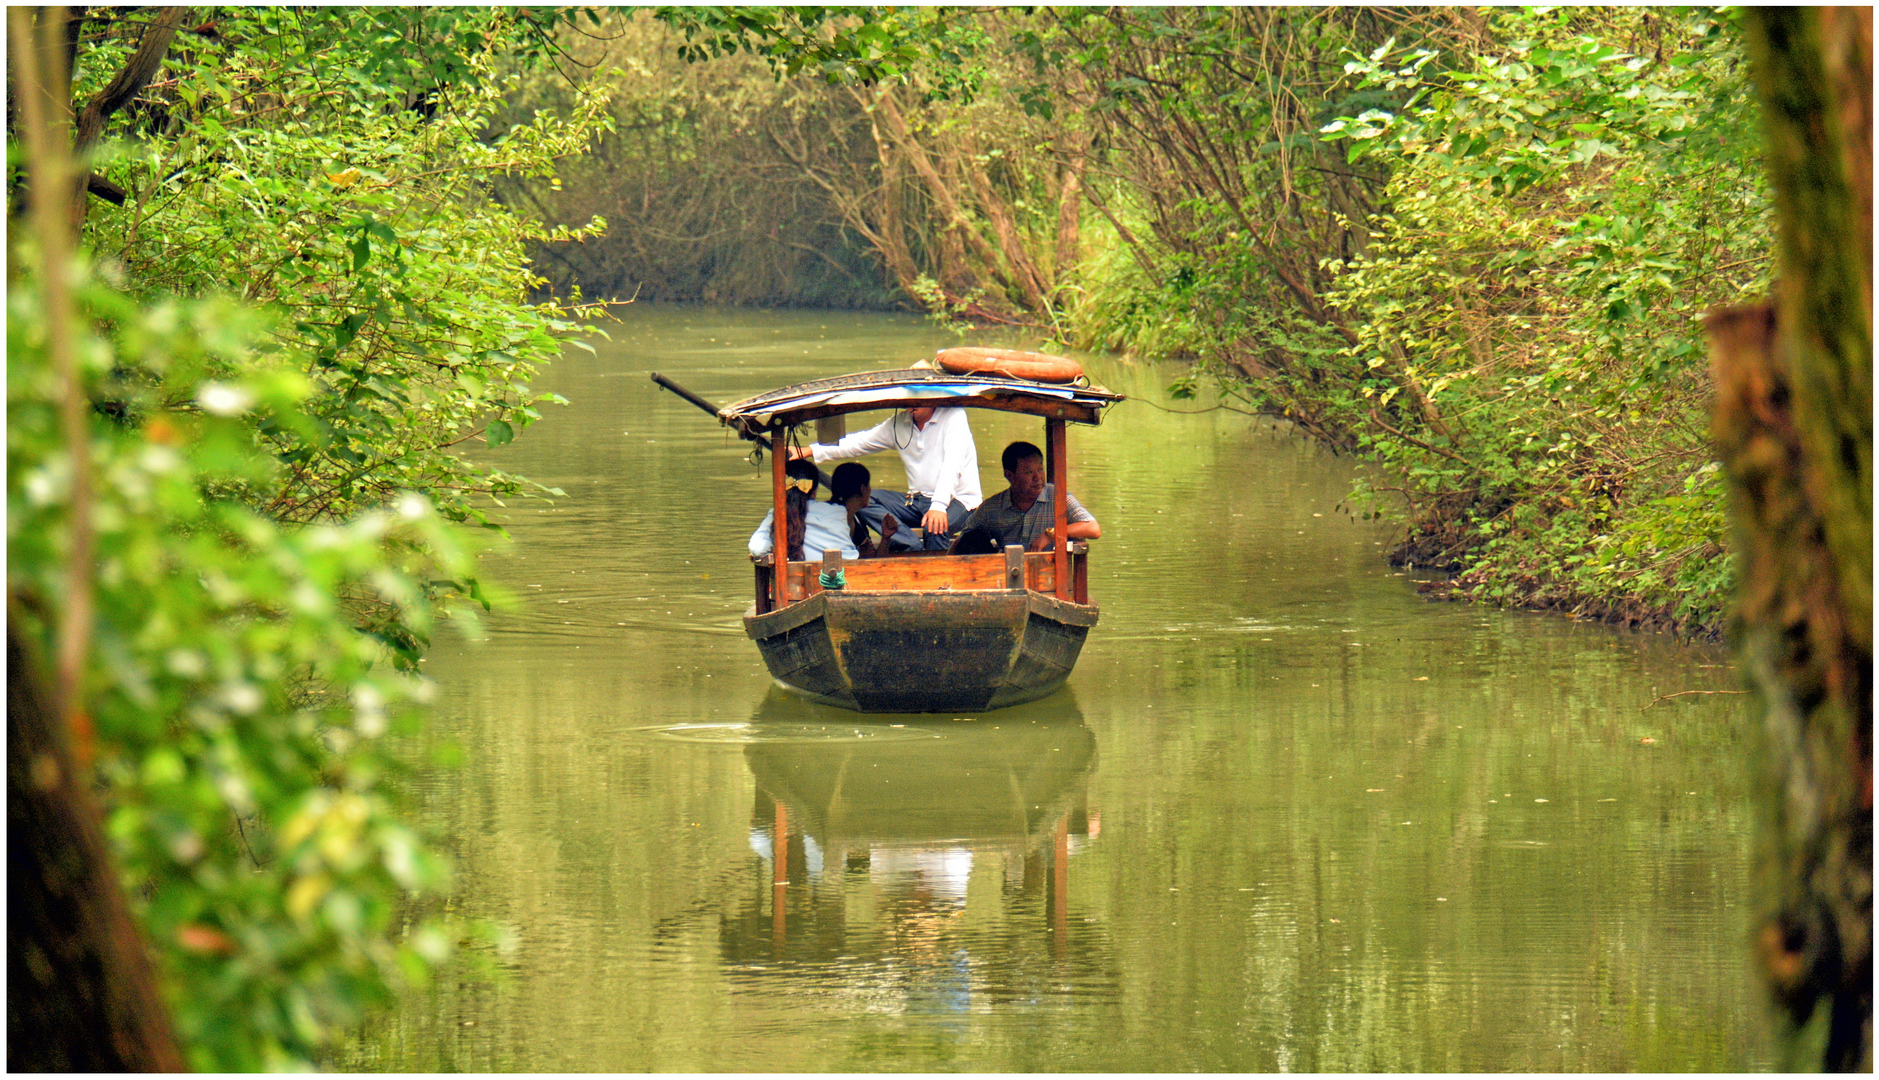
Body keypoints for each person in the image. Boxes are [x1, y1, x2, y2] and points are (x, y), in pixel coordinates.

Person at [790, 405, 979, 551]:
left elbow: (952, 464)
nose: (913, 403)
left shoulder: (954, 416)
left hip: (959, 500)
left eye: (920, 397)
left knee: (935, 526)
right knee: (860, 498)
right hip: (916, 500)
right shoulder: (899, 423)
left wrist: (938, 506)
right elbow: (859, 442)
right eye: (909, 398)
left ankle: (938, 581)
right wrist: (809, 451)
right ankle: (911, 545)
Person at [950, 440, 1100, 554]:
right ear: (1009, 475)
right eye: (1029, 473)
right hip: (1006, 579)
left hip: (1049, 579)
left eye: (1040, 470)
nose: (1038, 478)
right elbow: (964, 539)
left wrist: (1051, 533)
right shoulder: (993, 508)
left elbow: (1093, 528)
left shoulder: (1058, 498)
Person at [749, 458, 858, 562]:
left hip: (800, 578)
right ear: (814, 490)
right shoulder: (838, 511)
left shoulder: (777, 514)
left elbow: (759, 549)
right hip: (845, 576)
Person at [827, 462, 897, 558]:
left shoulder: (855, 517)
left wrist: (886, 537)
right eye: (869, 485)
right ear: (863, 489)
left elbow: (874, 563)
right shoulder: (836, 518)